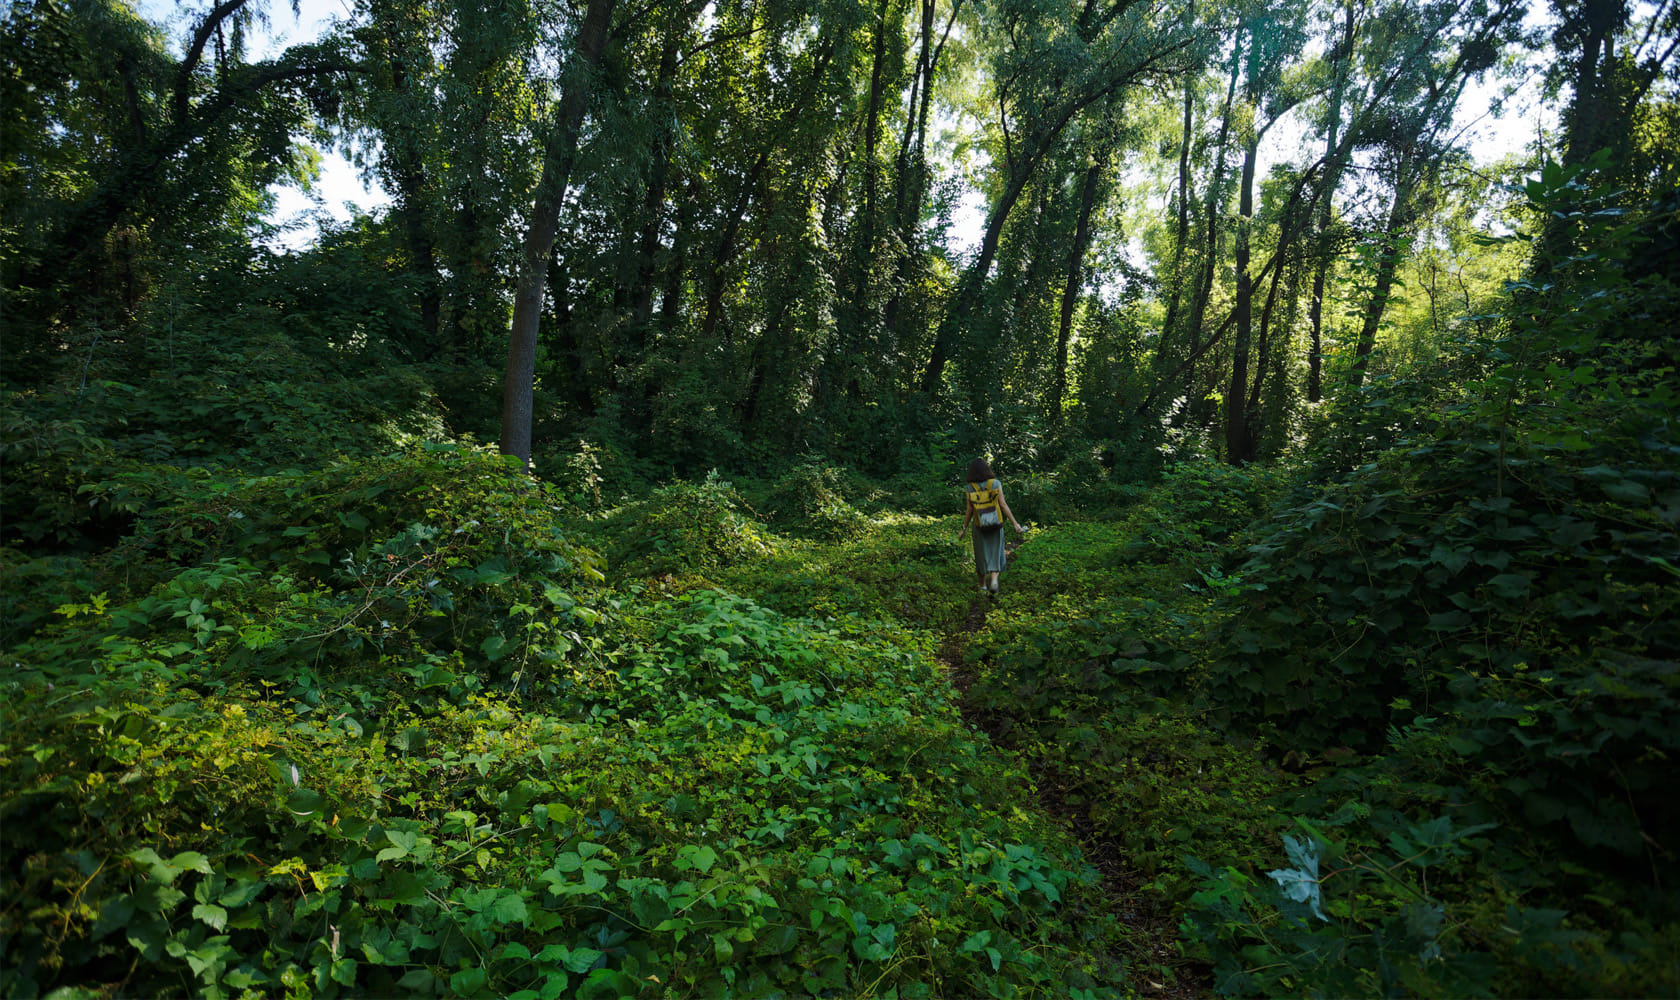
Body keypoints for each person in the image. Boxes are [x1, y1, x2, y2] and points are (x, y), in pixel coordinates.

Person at [955, 457, 1024, 597]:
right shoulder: (995, 484)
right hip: (996, 524)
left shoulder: (969, 488)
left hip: (979, 526)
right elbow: (1003, 504)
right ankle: (994, 580)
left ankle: (982, 586)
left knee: (981, 554)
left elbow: (969, 510)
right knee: (996, 552)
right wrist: (1015, 524)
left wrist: (963, 528)